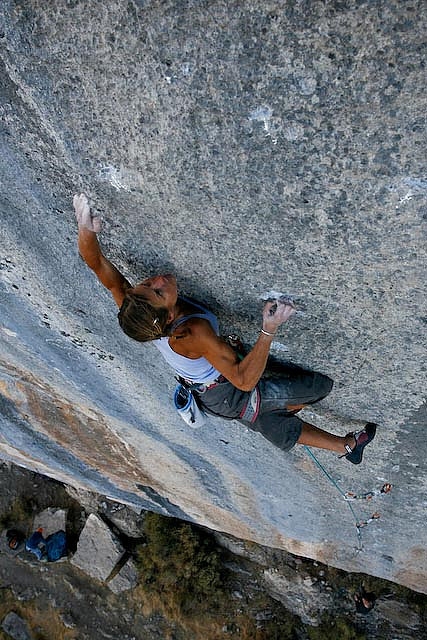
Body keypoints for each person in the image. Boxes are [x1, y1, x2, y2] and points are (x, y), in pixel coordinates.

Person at [73, 193, 377, 462]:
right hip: (229, 395)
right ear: (168, 319)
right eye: (159, 291)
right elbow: (244, 381)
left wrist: (85, 229)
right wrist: (268, 328)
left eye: (147, 284)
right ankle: (292, 422)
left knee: (270, 417)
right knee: (318, 388)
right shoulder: (191, 333)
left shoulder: (140, 312)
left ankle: (342, 446)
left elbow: (98, 265)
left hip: (215, 394)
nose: (159, 279)